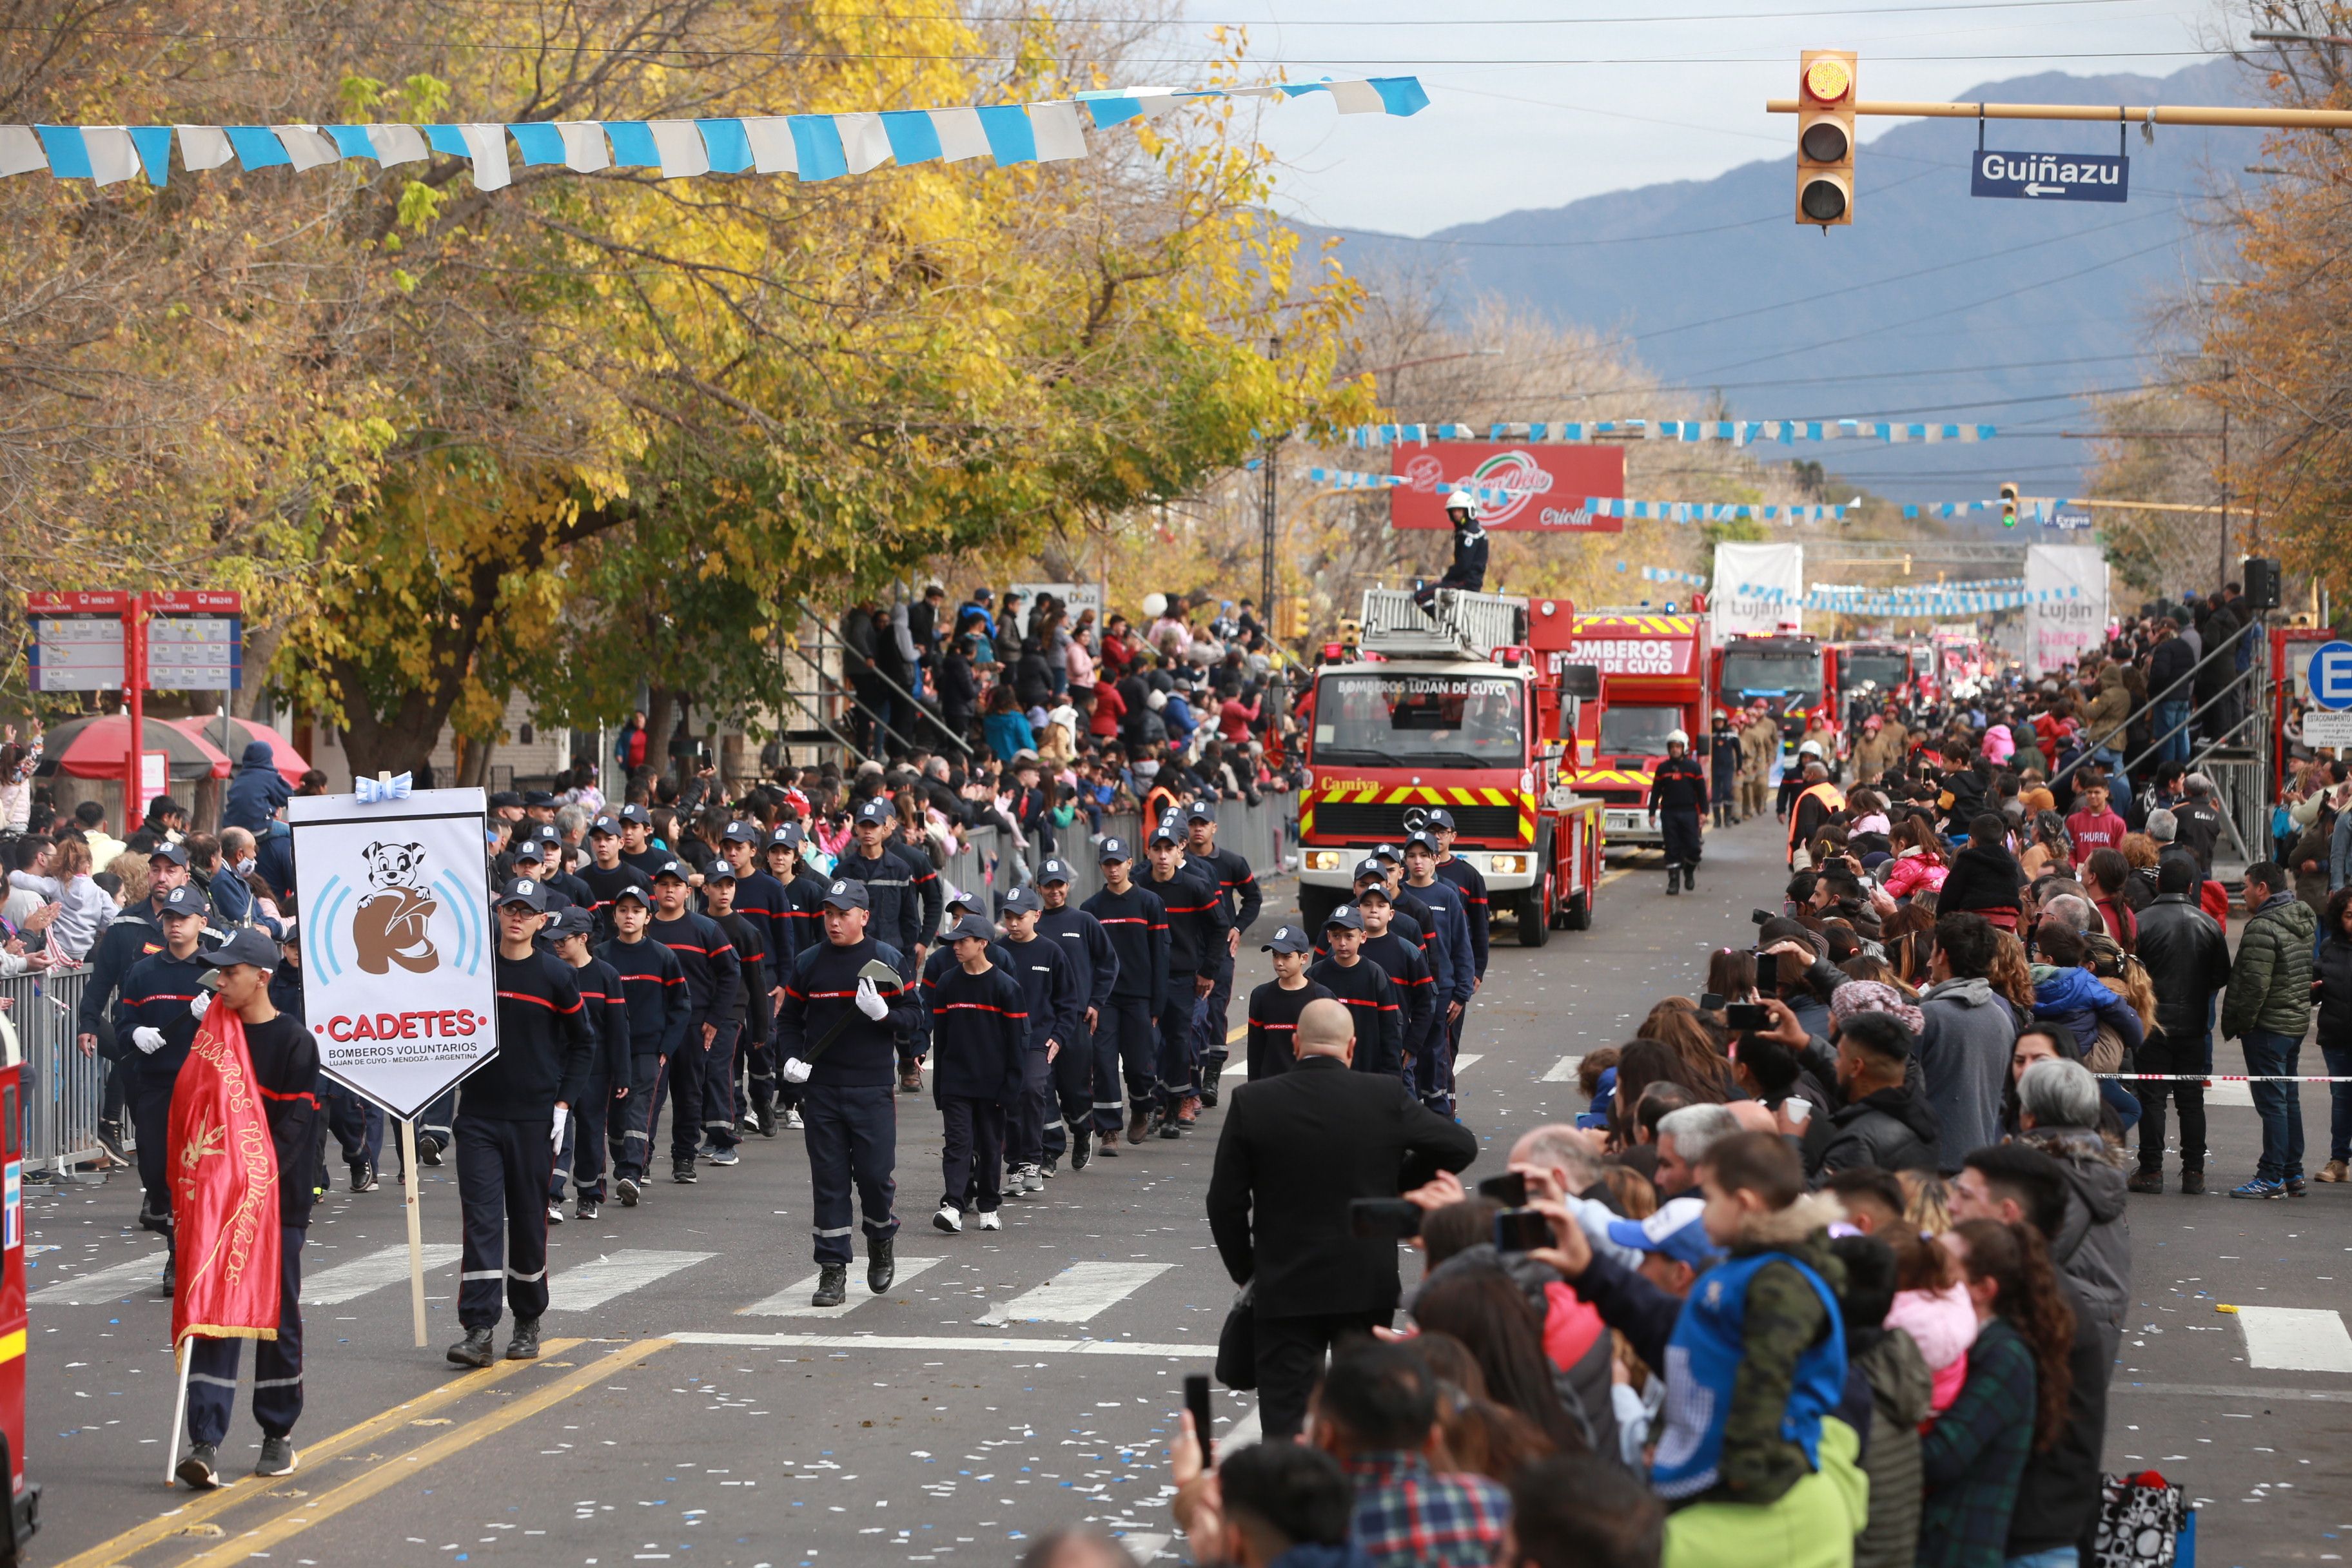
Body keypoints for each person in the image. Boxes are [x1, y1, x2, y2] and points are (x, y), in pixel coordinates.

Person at [1527, 1132, 1863, 1566]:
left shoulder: (1778, 1282)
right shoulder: (1743, 1268)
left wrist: (1736, 1479)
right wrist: (1590, 1271)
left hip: (1748, 1486)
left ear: (1743, 1204)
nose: (1702, 1209)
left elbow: (1766, 1377)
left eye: (1710, 1196)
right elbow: (1687, 1347)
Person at [1206, 997, 1476, 1438]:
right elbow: (1459, 1146)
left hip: (1285, 1282)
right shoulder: (1383, 1096)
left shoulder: (1254, 1102)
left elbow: (1224, 1201)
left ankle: (1291, 1499)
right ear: (1351, 1047)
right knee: (1364, 1415)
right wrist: (1398, 1185)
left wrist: (1246, 1270)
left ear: (1296, 1043)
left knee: (1286, 1420)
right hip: (1364, 1281)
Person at [172, 926, 319, 1489]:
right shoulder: (213, 1033)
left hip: (275, 1204)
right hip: (217, 1202)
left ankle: (277, 1434)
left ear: (262, 977)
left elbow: (294, 1130)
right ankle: (204, 1439)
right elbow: (196, 1116)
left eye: (230, 971)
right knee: (213, 1314)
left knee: (272, 1315)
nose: (220, 980)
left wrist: (247, 1183)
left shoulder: (295, 1043)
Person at [447, 876, 594, 1367]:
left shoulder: (556, 977)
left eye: (525, 910)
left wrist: (563, 1105)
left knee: (529, 1223)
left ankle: (528, 1320)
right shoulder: (473, 971)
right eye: (509, 907)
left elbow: (583, 1043)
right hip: (479, 1119)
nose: (515, 916)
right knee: (482, 1223)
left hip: (534, 1120)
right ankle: (479, 1328)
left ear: (539, 921)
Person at [1948, 1144, 2114, 1568]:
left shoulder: (2035, 1308)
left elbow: (1960, 1439)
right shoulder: (2029, 1291)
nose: (1950, 1206)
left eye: (1965, 1196)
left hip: (2023, 1537)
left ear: (2007, 1213)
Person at [775, 877, 921, 1308]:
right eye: (829, 914)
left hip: (872, 1088)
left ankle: (880, 1238)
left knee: (875, 1178)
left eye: (843, 914)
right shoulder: (809, 963)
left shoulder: (886, 958)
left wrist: (884, 1016)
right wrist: (789, 1059)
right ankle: (832, 1269)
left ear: (864, 916)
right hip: (821, 1090)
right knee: (830, 1182)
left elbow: (914, 1017)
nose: (835, 922)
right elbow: (789, 1020)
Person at [1916, 1220, 2077, 1568]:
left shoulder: (2004, 1356)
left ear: (1983, 1289)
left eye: (1942, 1264)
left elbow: (1941, 1456)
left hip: (1955, 1549)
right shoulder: (1968, 1345)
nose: (1927, 1272)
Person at [115, 883, 220, 1288]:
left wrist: (213, 1014)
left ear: (201, 922)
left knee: (198, 1172)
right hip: (156, 1085)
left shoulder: (214, 971)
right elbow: (123, 1028)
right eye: (169, 918)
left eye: (183, 918)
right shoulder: (143, 972)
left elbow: (243, 1026)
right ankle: (176, 1235)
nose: (175, 925)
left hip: (203, 1086)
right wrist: (137, 1032)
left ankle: (184, 1252)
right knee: (156, 1172)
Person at [925, 912, 1028, 1234]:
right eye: (954, 941)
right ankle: (953, 1205)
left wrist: (1012, 1085)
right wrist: (939, 1086)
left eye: (963, 941)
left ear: (982, 943)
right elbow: (940, 1039)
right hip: (956, 1082)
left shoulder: (1005, 987)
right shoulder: (947, 983)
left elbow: (1018, 1041)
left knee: (988, 1145)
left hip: (993, 1086)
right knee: (957, 1144)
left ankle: (988, 1207)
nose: (956, 947)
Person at [2133, 856, 2231, 1194]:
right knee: (2191, 1100)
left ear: (2159, 885)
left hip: (2153, 1021)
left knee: (2152, 1096)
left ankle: (2151, 1169)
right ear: (2191, 887)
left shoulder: (2142, 922)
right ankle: (2194, 1172)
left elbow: (2131, 974)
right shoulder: (2208, 924)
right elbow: (2220, 975)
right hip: (2193, 1023)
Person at [832, 796, 941, 1093]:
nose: (868, 832)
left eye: (874, 826)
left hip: (894, 951)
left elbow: (910, 914)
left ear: (886, 829)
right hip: (854, 951)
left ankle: (908, 1062)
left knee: (902, 1007)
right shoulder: (843, 870)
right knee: (854, 1009)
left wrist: (918, 944)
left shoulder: (902, 868)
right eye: (863, 825)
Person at [2220, 860, 2316, 1198]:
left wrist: (2243, 1024)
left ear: (2263, 888)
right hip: (2293, 1023)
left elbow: (2255, 986)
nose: (2243, 891)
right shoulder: (2302, 917)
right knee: (2288, 1100)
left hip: (2268, 1027)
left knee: (2273, 1104)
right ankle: (2293, 1173)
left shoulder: (2264, 927)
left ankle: (2271, 1176)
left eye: (2246, 885)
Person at [644, 858, 741, 1184]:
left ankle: (684, 1157)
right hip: (652, 1027)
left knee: (688, 1094)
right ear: (655, 889)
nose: (669, 891)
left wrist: (715, 1018)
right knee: (649, 1096)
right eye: (663, 885)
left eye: (676, 886)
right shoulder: (644, 927)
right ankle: (638, 1159)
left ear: (688, 891)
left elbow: (731, 973)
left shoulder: (704, 928)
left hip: (693, 1025)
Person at [598, 885, 689, 1206]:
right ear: (615, 915)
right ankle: (625, 1162)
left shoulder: (663, 956)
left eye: (636, 911)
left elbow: (681, 1005)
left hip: (648, 1050)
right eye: (623, 910)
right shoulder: (602, 955)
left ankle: (631, 1173)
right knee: (615, 1115)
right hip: (608, 1050)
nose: (629, 916)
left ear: (647, 917)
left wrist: (667, 1047)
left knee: (640, 1110)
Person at [1081, 837, 1168, 1149]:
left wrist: (1159, 1002)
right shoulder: (1091, 909)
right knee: (1103, 1063)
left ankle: (1143, 1109)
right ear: (1101, 866)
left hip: (1140, 998)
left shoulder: (1149, 903)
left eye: (1119, 862)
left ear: (1130, 863)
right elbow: (1085, 960)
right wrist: (1089, 1002)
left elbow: (1160, 954)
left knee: (1139, 1064)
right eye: (1108, 863)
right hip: (1105, 1000)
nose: (1114, 869)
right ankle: (1108, 1130)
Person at [1143, 818, 1229, 1133]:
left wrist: (1208, 971)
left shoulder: (1194, 885)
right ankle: (1155, 1102)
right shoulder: (1140, 884)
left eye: (1169, 848)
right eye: (1157, 849)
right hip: (1146, 978)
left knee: (1180, 1041)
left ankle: (1177, 1102)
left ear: (1180, 848)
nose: (1163, 856)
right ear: (1148, 853)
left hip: (1182, 977)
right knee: (1150, 1043)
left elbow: (1219, 926)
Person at [544, 905, 629, 1223]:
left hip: (597, 1069)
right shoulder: (550, 972)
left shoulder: (606, 976)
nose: (556, 944)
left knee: (592, 1133)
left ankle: (588, 1194)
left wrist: (622, 1073)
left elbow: (619, 1028)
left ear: (583, 938)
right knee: (557, 1132)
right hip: (557, 1067)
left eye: (562, 939)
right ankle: (552, 1195)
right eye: (552, 939)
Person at [995, 887, 1084, 1189]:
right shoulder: (996, 951)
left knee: (1033, 1090)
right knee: (1008, 1098)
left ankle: (1033, 1160)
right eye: (1008, 917)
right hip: (1003, 1039)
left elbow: (1068, 1001)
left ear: (1037, 915)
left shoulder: (1051, 951)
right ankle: (1016, 1164)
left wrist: (1059, 1036)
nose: (1014, 923)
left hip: (1039, 1039)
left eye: (1020, 917)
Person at [1917, 913, 2019, 1172]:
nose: (1929, 961)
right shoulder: (2001, 1016)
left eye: (1934, 951)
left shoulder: (1930, 1016)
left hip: (1931, 1163)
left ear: (1943, 956)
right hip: (1981, 1159)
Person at [1034, 856, 1118, 1168]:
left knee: (1075, 1090)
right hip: (1042, 1022)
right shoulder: (1033, 924)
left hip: (1077, 1022)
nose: (1054, 891)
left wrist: (1096, 1003)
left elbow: (1109, 964)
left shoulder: (1084, 921)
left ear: (1067, 886)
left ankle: (1083, 1131)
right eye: (1048, 885)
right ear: (1038, 887)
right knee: (1042, 1087)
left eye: (1060, 884)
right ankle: (1050, 1151)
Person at [1183, 802, 1261, 1101]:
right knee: (1190, 1014)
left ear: (1214, 827)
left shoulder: (1231, 862)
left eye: (1204, 823)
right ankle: (1188, 1074)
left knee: (1215, 1009)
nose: (1198, 829)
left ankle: (1212, 1075)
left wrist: (1237, 928)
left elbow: (1253, 897)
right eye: (1193, 823)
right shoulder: (1178, 861)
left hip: (1220, 948)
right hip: (1188, 947)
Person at [1809, 1009, 1941, 1175]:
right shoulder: (1921, 1112)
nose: (1835, 1064)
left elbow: (1817, 1199)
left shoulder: (1857, 1143)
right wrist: (1805, 1044)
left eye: (1840, 1056)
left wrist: (1790, 1138)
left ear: (1857, 1067)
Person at [1306, 906, 1404, 1078]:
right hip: (1325, 1076)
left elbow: (1390, 1033)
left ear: (1363, 937)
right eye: (1336, 936)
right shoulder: (1315, 975)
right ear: (1329, 937)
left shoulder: (1376, 976)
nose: (1342, 943)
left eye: (1349, 936)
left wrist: (1391, 1079)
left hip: (1367, 1075)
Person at [1244, 925, 1335, 1081]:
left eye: (1286, 957)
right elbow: (1255, 1049)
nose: (1279, 962)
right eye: (1275, 955)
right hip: (1271, 1088)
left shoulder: (1322, 996)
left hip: (1309, 1088)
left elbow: (1332, 1051)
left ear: (1304, 958)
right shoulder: (1261, 995)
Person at [1647, 728, 1709, 895]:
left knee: (1694, 848)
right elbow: (1656, 792)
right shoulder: (1662, 769)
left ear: (1684, 748)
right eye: (1672, 746)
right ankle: (1673, 881)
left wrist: (1704, 812)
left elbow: (1702, 792)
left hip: (1689, 813)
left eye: (1678, 746)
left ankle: (1689, 871)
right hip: (1669, 813)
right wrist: (1652, 813)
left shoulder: (1694, 768)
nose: (1675, 749)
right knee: (1672, 847)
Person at [1413, 489, 1490, 611]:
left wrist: (1445, 579)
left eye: (1459, 510)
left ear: (1468, 511)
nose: (1456, 514)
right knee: (1431, 593)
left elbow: (1464, 565)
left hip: (1466, 583)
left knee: (1420, 596)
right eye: (1454, 511)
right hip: (1466, 582)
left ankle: (1443, 621)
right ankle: (1446, 621)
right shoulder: (1466, 531)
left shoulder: (1471, 532)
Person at [221, 740, 291, 834]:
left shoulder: (239, 777)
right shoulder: (268, 776)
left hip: (232, 828)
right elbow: (288, 796)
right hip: (257, 827)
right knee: (290, 832)